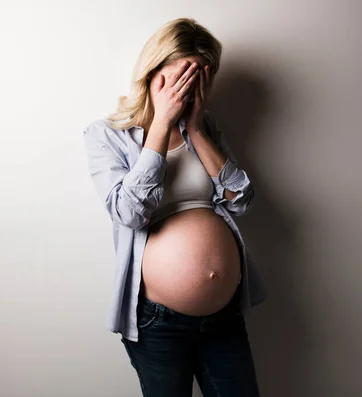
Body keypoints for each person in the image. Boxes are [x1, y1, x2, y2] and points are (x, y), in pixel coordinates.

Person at [83, 17, 268, 397]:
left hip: (224, 317)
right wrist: (161, 125)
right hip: (157, 322)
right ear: (152, 72)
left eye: (200, 79)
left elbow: (241, 201)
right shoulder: (106, 135)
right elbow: (129, 213)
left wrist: (196, 130)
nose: (187, 90)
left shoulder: (207, 127)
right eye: (180, 77)